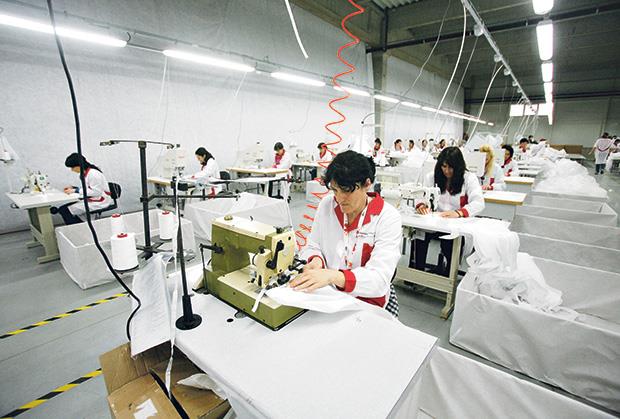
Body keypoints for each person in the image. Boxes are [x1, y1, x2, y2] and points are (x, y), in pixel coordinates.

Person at [292, 150, 402, 317]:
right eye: (335, 190)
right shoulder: (327, 205)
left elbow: (379, 279)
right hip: (328, 295)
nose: (340, 198)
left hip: (367, 302)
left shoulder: (387, 217)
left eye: (346, 190)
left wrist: (333, 276)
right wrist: (316, 260)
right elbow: (313, 245)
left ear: (367, 184)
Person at [412, 147, 484, 276]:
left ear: (458, 167)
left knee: (450, 244)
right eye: (444, 166)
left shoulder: (468, 178)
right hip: (434, 222)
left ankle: (447, 277)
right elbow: (421, 195)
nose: (446, 171)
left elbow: (479, 203)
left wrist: (459, 213)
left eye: (451, 167)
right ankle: (417, 272)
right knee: (419, 235)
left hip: (455, 224)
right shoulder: (432, 177)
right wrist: (421, 204)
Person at [52, 153, 112, 225]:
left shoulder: (93, 174)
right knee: (63, 208)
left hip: (101, 201)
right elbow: (89, 188)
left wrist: (76, 190)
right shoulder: (86, 173)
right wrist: (74, 188)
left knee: (65, 210)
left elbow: (96, 192)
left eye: (72, 167)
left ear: (79, 165)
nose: (72, 170)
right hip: (94, 198)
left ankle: (76, 228)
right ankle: (79, 224)